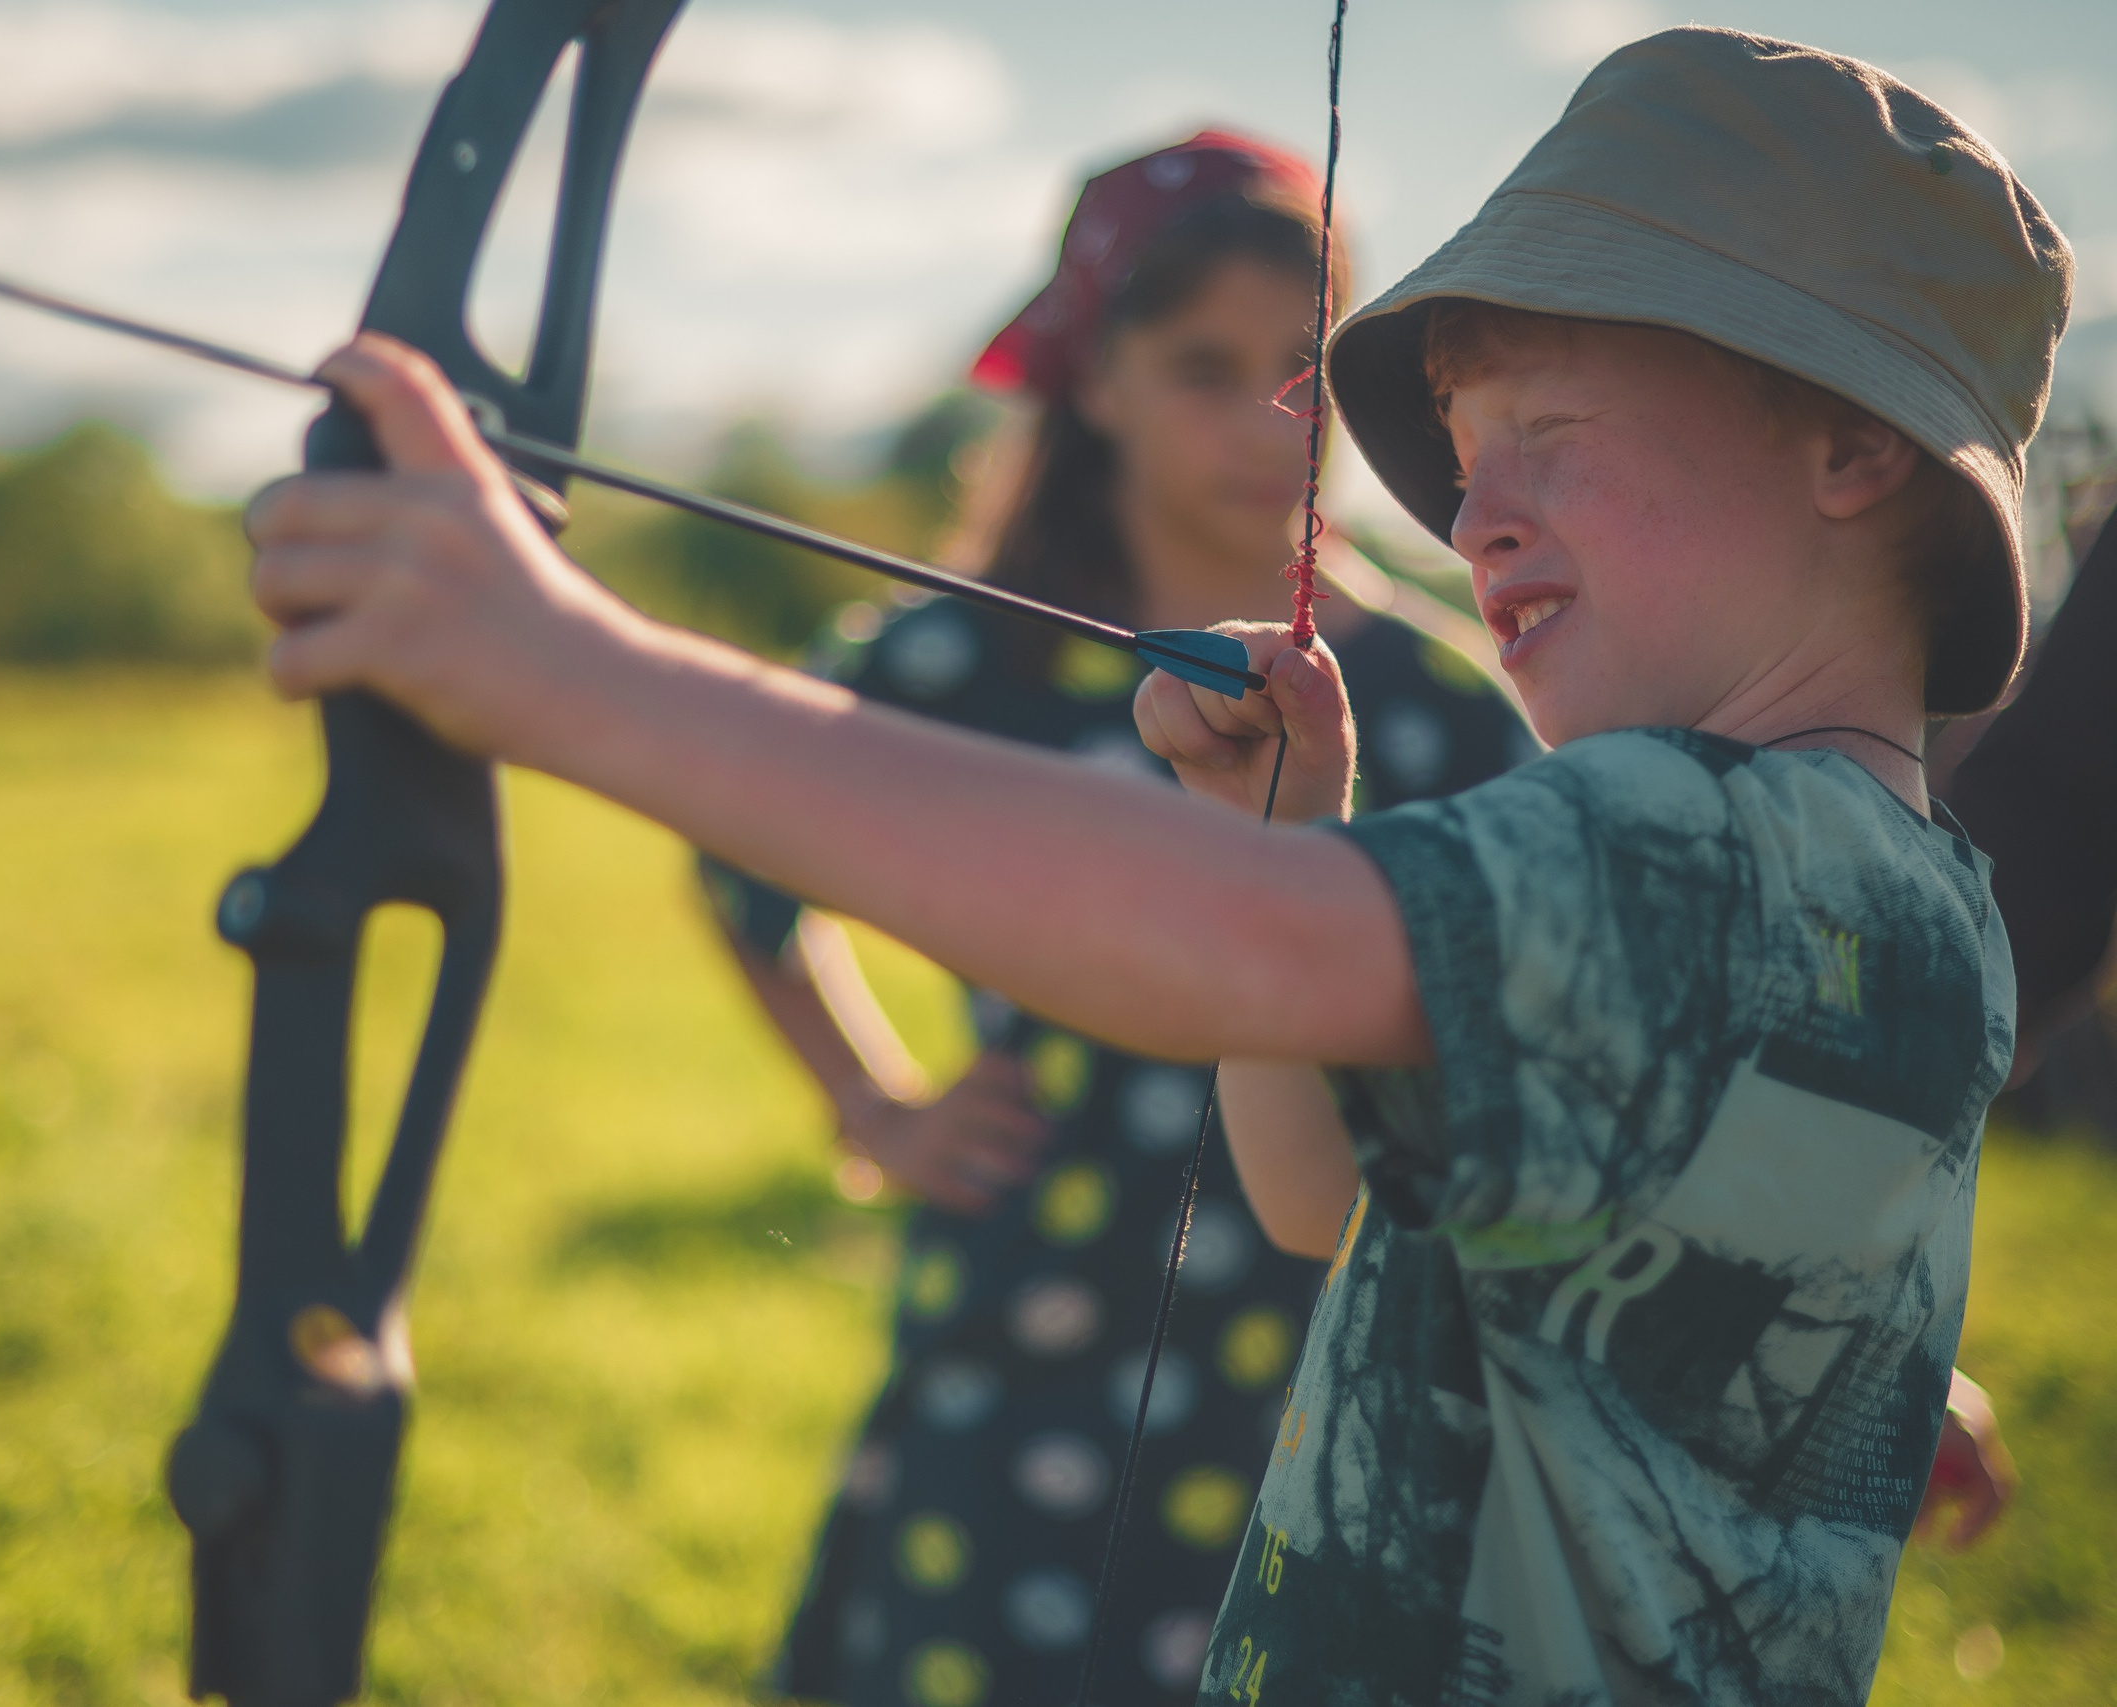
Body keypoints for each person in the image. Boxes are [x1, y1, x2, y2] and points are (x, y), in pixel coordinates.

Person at [240, 26, 2065, 1704]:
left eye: (1553, 435)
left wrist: (560, 665)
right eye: (1461, 454)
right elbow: (1327, 1200)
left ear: (1852, 444)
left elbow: (1243, 947)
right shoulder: (1894, 900)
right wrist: (1283, 839)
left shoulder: (1699, 845)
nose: (1470, 515)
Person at [691, 133, 1535, 1707]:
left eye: (1304, 372)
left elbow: (1567, 1032)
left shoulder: (1439, 704)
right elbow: (739, 845)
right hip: (1021, 1323)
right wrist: (875, 1105)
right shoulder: (967, 663)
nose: (1269, 423)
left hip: (1325, 1349)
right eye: (1203, 369)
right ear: (1094, 384)